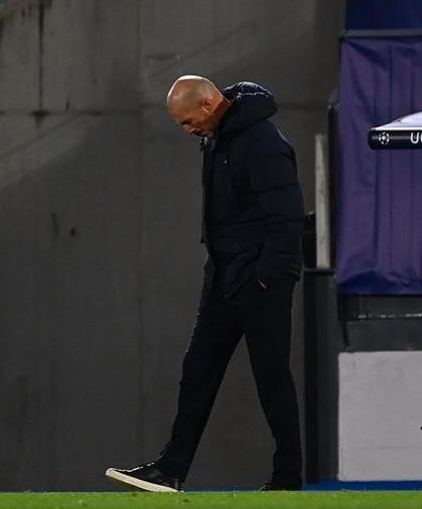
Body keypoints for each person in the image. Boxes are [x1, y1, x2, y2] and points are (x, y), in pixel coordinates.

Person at [106, 76, 305, 492]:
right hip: (223, 275)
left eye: (187, 121)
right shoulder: (217, 135)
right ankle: (170, 469)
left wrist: (266, 277)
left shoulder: (263, 142)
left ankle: (287, 479)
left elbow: (287, 218)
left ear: (210, 103)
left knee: (271, 379)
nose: (187, 131)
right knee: (197, 370)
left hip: (258, 278)